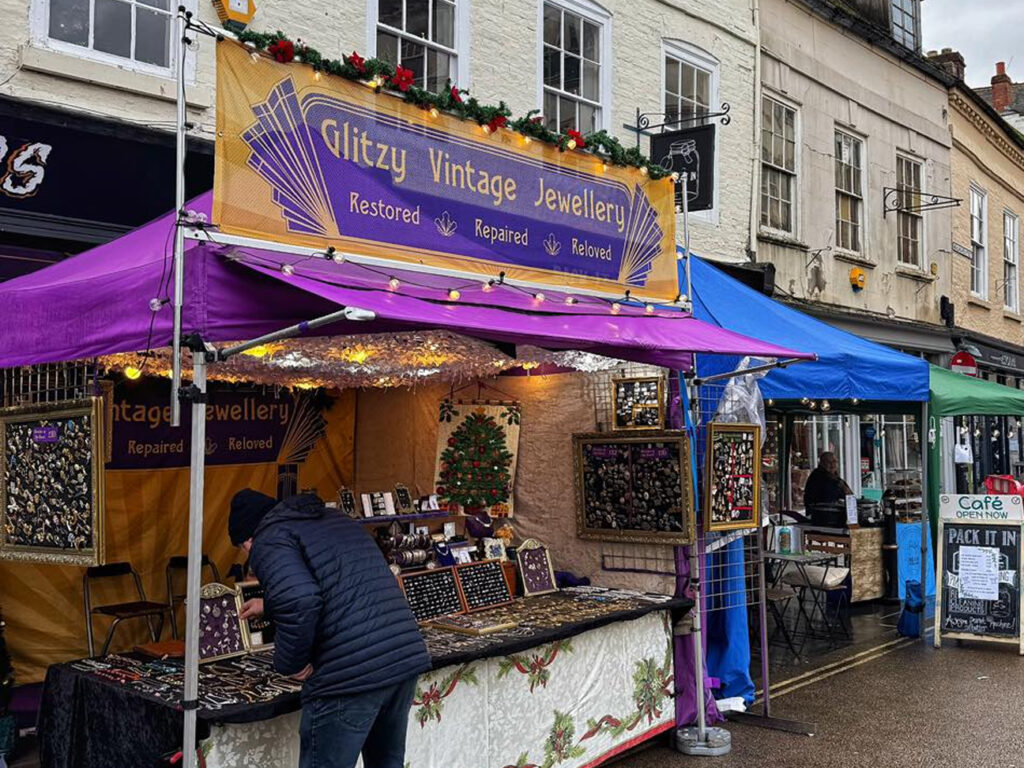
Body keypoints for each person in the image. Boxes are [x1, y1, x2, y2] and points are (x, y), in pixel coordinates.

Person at [228, 489, 430, 768]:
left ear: (249, 537)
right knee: (387, 763)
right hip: (401, 656)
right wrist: (269, 604)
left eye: (244, 547)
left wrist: (291, 663)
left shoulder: (269, 539)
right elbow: (340, 585)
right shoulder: (335, 520)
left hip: (351, 675)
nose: (249, 553)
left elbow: (301, 600)